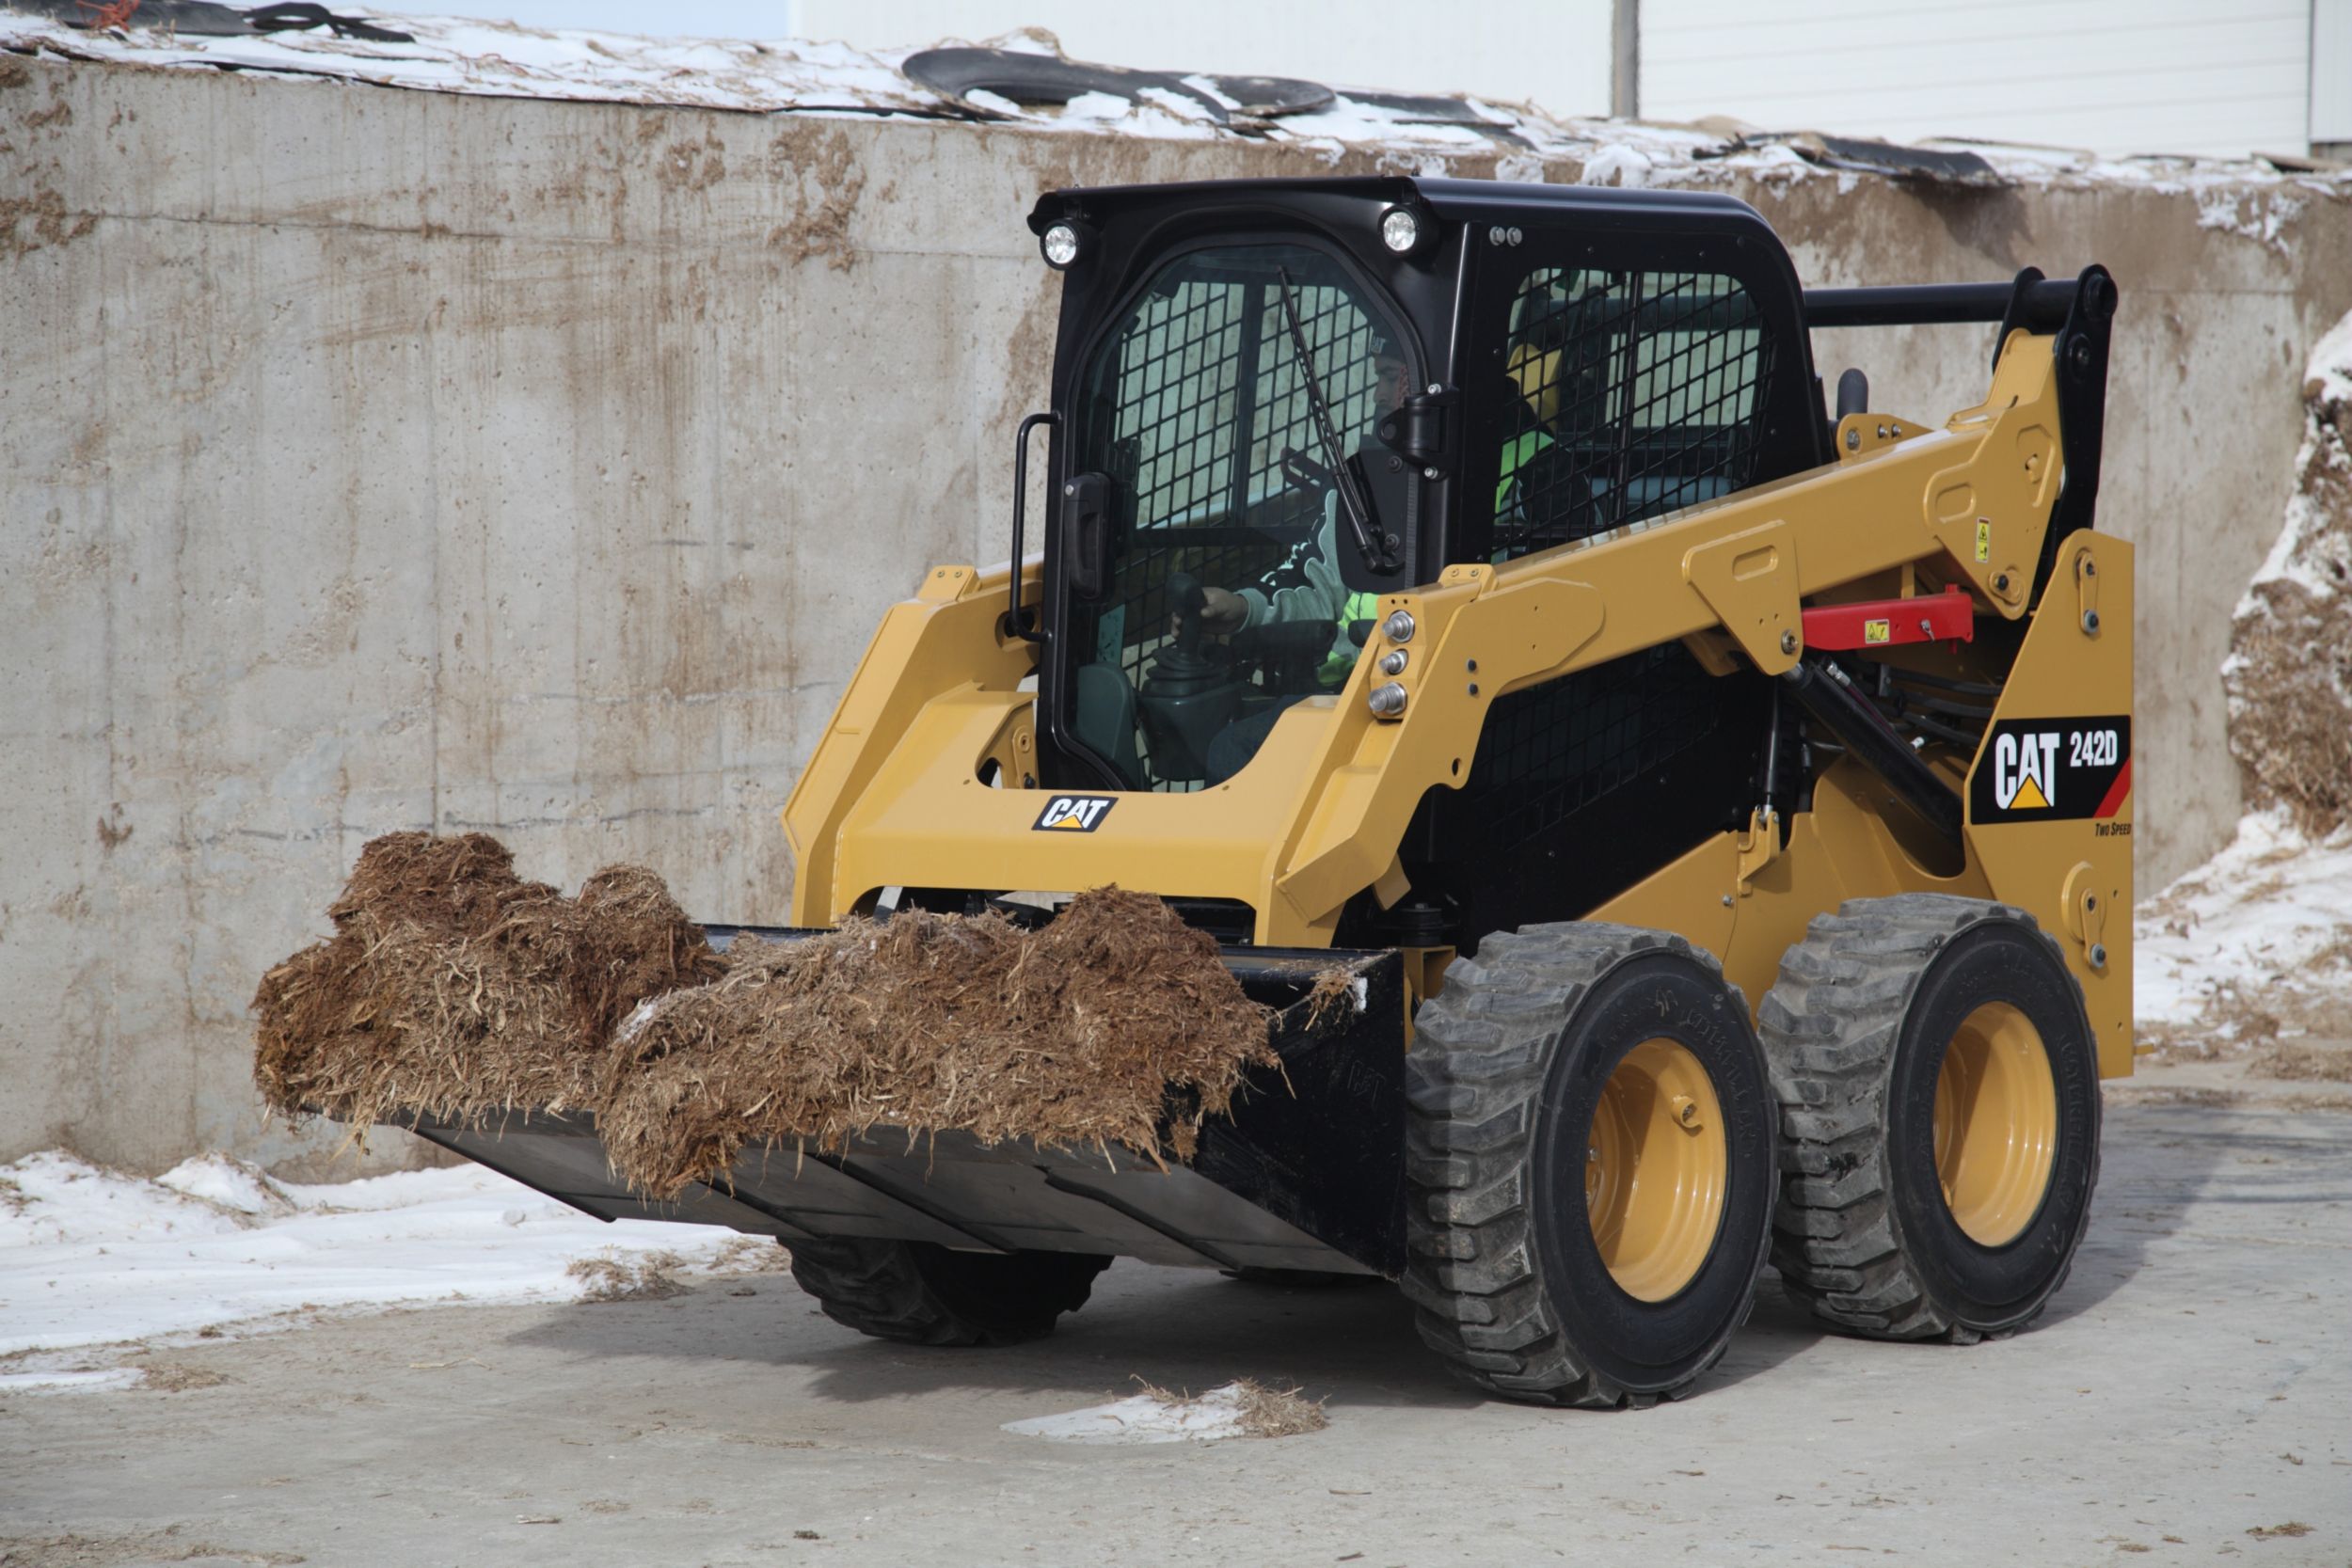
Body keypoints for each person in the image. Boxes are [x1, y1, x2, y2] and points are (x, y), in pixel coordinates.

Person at [1189, 335, 1409, 783]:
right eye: (1377, 377)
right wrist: (1243, 609)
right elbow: (1320, 581)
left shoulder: (1534, 474)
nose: (1378, 394)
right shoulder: (1370, 480)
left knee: (1235, 751)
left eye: (1390, 377)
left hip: (1439, 696)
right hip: (1351, 692)